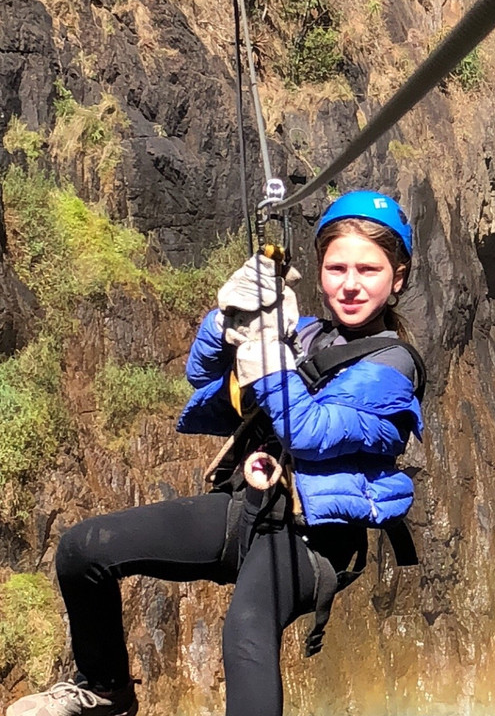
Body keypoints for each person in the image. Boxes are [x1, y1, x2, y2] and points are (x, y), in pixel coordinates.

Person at [5, 190, 424, 716]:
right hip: (248, 509)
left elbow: (311, 431)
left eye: (369, 269)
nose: (351, 283)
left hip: (314, 539)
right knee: (83, 550)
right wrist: (229, 320)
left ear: (398, 277)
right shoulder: (306, 333)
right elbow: (204, 378)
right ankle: (105, 687)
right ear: (320, 270)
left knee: (246, 632)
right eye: (337, 267)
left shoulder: (393, 365)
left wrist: (269, 360)